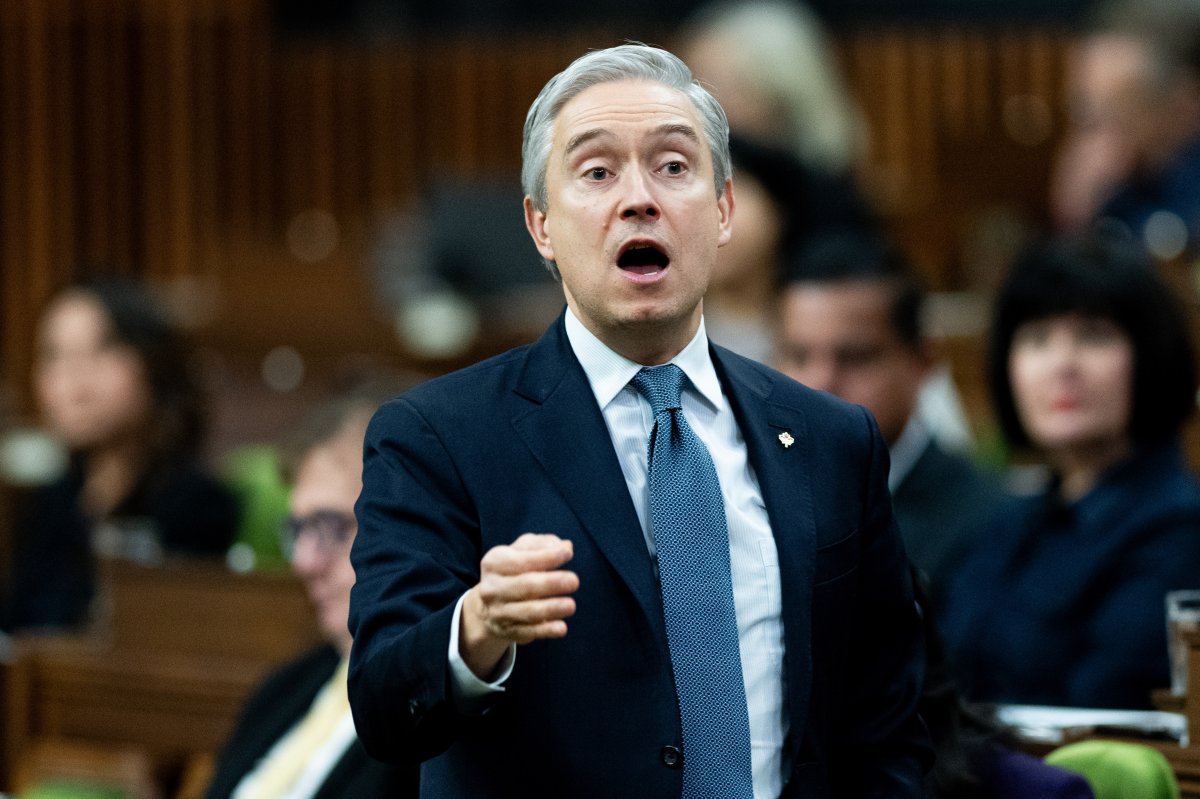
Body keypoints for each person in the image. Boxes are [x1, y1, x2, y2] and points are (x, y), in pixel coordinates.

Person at [348, 43, 929, 798]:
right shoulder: (438, 437)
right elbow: (386, 709)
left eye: (674, 167)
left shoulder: (831, 439)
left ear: (723, 211)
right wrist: (475, 630)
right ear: (542, 227)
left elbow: (884, 724)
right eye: (596, 173)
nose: (639, 198)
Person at [938, 233, 1200, 709]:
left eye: (1094, 336)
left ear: (1150, 357)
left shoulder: (1180, 530)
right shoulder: (1006, 523)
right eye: (1037, 339)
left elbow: (1108, 709)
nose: (1062, 365)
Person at [206, 382, 419, 799]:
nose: (303, 563)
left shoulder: (441, 719)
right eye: (299, 530)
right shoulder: (285, 686)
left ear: (416, 519)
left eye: (330, 526)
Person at [774, 235, 1007, 596]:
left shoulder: (987, 522)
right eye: (799, 356)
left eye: (856, 357)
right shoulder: (749, 499)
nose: (818, 384)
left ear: (924, 362)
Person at [2, 278, 238, 633]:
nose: (73, 383)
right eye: (54, 356)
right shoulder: (52, 502)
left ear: (152, 361)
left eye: (100, 350)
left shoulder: (196, 505)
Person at [1050, 0, 1200, 259]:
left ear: (1185, 102)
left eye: (1119, 116)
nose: (1094, 143)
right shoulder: (1120, 193)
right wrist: (1076, 219)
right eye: (1087, 119)